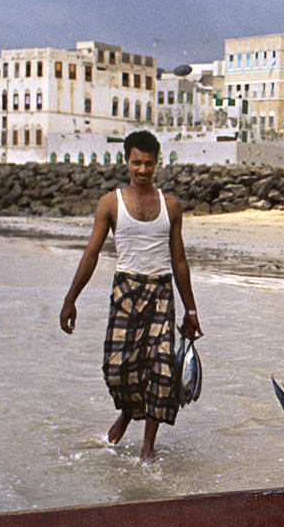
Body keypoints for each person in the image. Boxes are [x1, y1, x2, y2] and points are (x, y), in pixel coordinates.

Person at [60, 130, 202, 462]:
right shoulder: (111, 203)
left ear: (157, 163)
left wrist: (190, 310)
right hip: (125, 291)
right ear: (126, 161)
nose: (142, 170)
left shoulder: (171, 206)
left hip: (160, 291)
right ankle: (126, 414)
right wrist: (71, 299)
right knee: (117, 368)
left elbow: (179, 261)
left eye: (148, 163)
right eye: (136, 163)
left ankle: (147, 449)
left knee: (160, 371)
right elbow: (91, 254)